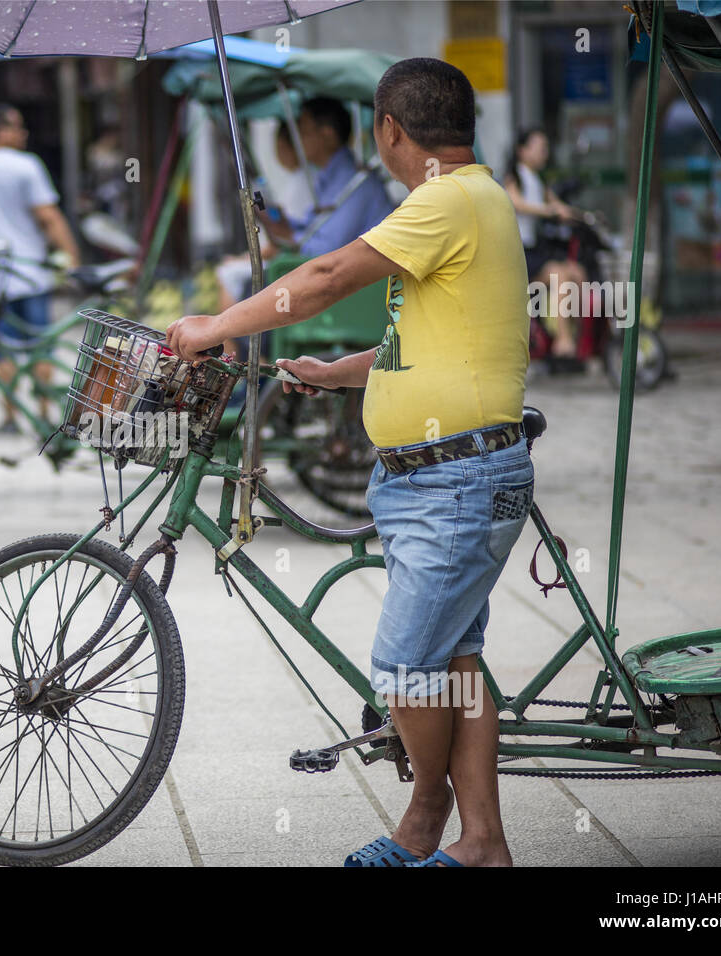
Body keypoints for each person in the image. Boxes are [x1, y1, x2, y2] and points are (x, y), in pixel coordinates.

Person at [168, 58, 532, 867]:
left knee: (404, 669)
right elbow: (431, 338)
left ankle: (428, 813)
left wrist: (216, 324)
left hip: (456, 479)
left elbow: (329, 275)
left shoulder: (445, 201)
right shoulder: (473, 198)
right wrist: (338, 373)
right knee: (451, 661)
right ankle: (483, 844)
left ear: (390, 131)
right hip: (436, 475)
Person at [0, 104, 80, 433]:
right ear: (0, 131)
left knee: (1, 348)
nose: (24, 134)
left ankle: (11, 415)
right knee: (40, 345)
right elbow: (49, 216)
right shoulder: (26, 166)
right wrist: (72, 258)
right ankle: (43, 412)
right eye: (18, 127)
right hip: (30, 273)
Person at [263, 96, 395, 257]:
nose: (297, 140)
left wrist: (289, 235)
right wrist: (283, 224)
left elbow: (324, 249)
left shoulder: (353, 180)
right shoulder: (330, 177)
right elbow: (314, 226)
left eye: (303, 131)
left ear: (327, 134)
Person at [503, 127, 585, 371]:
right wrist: (548, 211)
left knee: (577, 273)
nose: (544, 153)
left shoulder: (538, 180)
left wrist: (584, 217)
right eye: (539, 148)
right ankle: (562, 343)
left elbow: (559, 206)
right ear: (522, 150)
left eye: (545, 148)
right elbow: (516, 203)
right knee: (560, 275)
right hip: (520, 254)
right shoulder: (514, 177)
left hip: (536, 251)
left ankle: (575, 339)